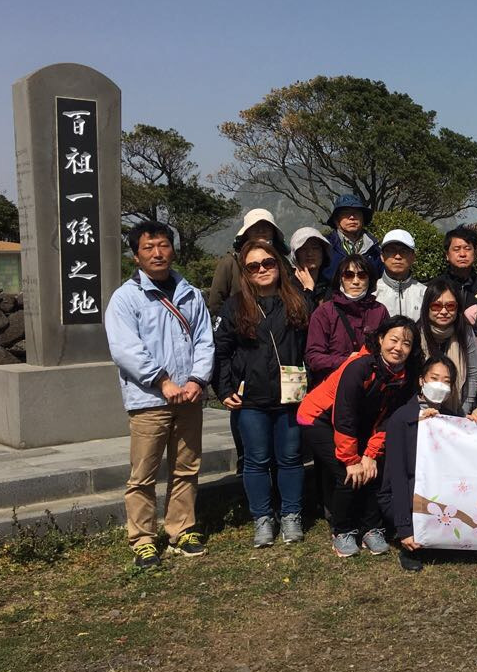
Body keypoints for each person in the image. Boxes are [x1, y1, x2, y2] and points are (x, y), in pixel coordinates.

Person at [104, 220, 214, 567]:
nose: (157, 253)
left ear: (172, 250)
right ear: (136, 256)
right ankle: (143, 539)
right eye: (148, 247)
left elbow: (205, 340)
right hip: (149, 400)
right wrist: (162, 381)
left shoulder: (190, 294)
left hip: (189, 397)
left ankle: (182, 529)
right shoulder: (125, 298)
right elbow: (125, 349)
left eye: (163, 245)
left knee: (186, 467)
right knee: (143, 473)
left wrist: (197, 380)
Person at [212, 239, 313, 547]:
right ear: (245, 272)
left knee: (290, 458)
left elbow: (311, 346)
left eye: (268, 263)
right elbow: (220, 351)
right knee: (256, 460)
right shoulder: (234, 306)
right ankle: (263, 518)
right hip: (251, 398)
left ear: (278, 265)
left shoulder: (298, 301)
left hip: (290, 397)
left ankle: (291, 515)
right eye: (253, 266)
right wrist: (223, 388)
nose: (262, 270)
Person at [297, 316, 419, 557]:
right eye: (393, 340)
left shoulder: (404, 376)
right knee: (347, 473)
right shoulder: (359, 367)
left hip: (359, 425)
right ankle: (342, 530)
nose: (398, 348)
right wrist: (351, 459)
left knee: (374, 469)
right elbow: (345, 414)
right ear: (381, 339)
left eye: (406, 343)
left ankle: (371, 528)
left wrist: (371, 454)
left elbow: (389, 419)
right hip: (318, 418)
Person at [380, 354, 460, 572]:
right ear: (421, 380)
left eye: (446, 381)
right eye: (434, 378)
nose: (440, 385)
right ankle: (410, 543)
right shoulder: (401, 418)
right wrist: (404, 528)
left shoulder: (450, 418)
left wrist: (472, 423)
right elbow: (397, 476)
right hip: (405, 494)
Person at [305, 255, 389, 386]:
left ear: (370, 279)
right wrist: (346, 361)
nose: (355, 281)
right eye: (348, 275)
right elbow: (313, 358)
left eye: (362, 275)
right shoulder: (324, 312)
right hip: (333, 387)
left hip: (370, 388)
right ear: (340, 279)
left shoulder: (379, 311)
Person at [417, 278, 477, 414]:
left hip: (457, 409)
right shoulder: (417, 333)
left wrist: (464, 410)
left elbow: (472, 373)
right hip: (420, 408)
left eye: (450, 306)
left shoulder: (465, 332)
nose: (444, 311)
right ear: (427, 307)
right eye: (436, 306)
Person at [207, 208, 290, 317]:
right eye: (255, 227)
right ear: (246, 233)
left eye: (266, 226)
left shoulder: (283, 262)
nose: (261, 230)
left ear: (273, 232)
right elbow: (215, 303)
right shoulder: (230, 262)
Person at [322, 194, 382, 281]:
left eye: (356, 213)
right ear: (336, 220)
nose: (352, 217)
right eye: (346, 213)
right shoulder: (325, 246)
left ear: (363, 219)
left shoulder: (375, 248)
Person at [375, 229, 427, 320]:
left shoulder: (425, 293)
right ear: (382, 256)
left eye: (404, 251)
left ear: (413, 257)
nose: (398, 257)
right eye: (391, 251)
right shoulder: (372, 292)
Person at [290, 226, 332, 306]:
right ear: (296, 255)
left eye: (315, 248)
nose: (310, 253)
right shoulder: (288, 288)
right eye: (303, 249)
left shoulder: (329, 287)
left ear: (323, 252)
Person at [442, 225, 477, 309]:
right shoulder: (436, 286)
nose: (462, 254)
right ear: (447, 255)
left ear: (475, 253)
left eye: (467, 249)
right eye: (456, 249)